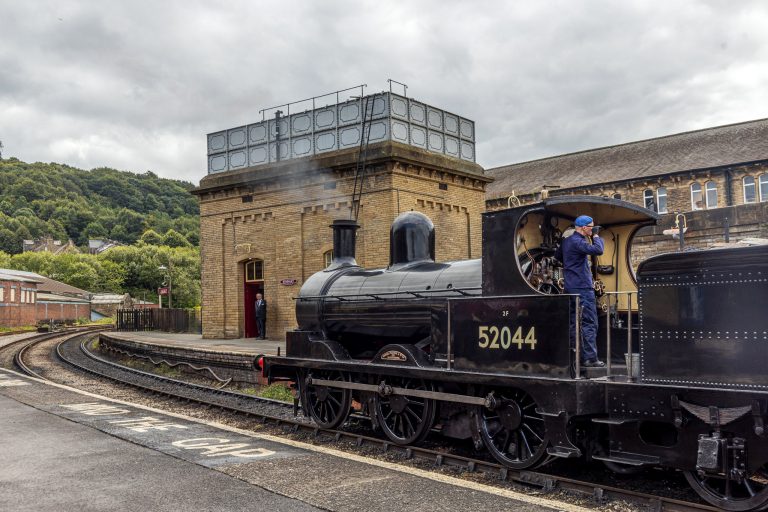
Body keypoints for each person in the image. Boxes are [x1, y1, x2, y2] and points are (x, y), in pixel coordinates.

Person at [555, 215, 605, 367]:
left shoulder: (566, 242)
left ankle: (576, 356)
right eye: (591, 226)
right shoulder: (578, 242)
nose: (593, 228)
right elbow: (598, 249)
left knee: (574, 323)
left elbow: (558, 256)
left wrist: (572, 265)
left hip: (570, 287)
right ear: (584, 228)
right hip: (582, 288)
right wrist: (596, 235)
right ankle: (590, 358)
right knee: (589, 322)